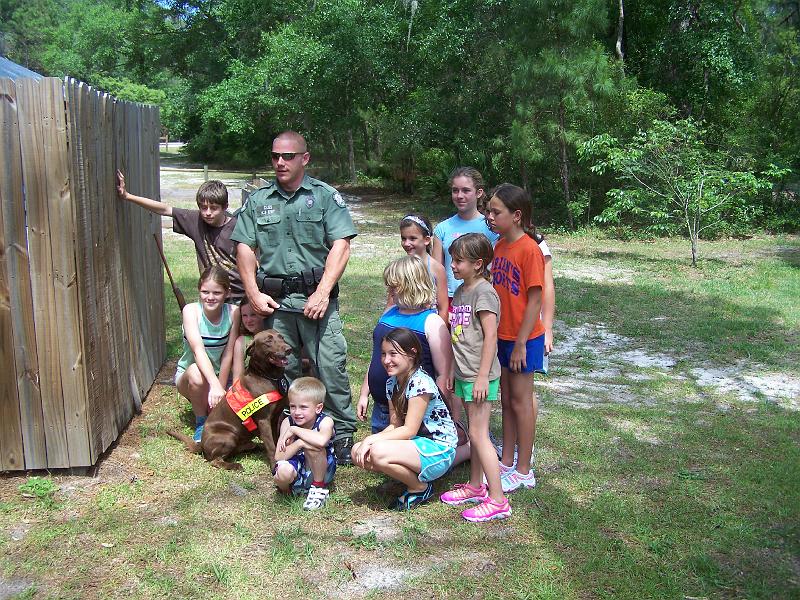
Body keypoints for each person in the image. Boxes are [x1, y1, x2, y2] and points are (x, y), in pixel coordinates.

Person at [231, 131, 357, 465]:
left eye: (288, 156)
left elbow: (341, 245)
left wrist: (323, 292)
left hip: (317, 301)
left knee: (329, 365)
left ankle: (342, 435)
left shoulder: (325, 197)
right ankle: (292, 429)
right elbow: (243, 246)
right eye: (275, 156)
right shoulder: (259, 201)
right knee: (281, 371)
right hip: (277, 305)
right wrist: (253, 293)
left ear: (305, 158)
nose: (280, 162)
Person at [440, 234, 511, 522]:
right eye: (452, 259)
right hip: (465, 372)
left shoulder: (484, 293)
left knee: (481, 436)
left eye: (458, 261)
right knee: (474, 432)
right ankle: (475, 485)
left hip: (480, 376)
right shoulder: (461, 292)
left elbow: (491, 337)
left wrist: (482, 377)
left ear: (478, 264)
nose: (453, 266)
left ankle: (498, 500)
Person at [351, 328, 458, 510]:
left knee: (376, 452)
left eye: (393, 354)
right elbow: (395, 425)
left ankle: (420, 487)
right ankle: (408, 478)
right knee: (357, 451)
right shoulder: (392, 383)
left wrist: (371, 439)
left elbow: (409, 430)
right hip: (417, 443)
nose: (386, 360)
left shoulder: (420, 382)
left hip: (439, 448)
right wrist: (367, 443)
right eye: (383, 354)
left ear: (412, 353)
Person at [485, 183, 546, 492]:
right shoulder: (499, 246)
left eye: (496, 212)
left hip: (524, 339)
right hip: (502, 335)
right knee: (506, 400)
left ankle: (524, 469)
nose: (490, 216)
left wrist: (521, 342)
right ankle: (506, 461)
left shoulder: (530, 249)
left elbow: (535, 299)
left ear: (517, 215)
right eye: (489, 211)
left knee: (522, 402)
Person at [357, 255, 455, 434]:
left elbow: (443, 373)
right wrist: (365, 393)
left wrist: (437, 414)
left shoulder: (431, 322)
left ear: (412, 285)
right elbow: (376, 358)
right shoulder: (388, 314)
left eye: (395, 286)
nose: (390, 290)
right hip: (383, 407)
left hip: (414, 411)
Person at [116, 170, 244, 302]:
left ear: (225, 207)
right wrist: (127, 196)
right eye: (203, 207)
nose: (208, 213)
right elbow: (165, 209)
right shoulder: (196, 220)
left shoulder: (239, 227)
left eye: (213, 208)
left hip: (240, 294)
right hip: (212, 295)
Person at [175, 266, 239, 441]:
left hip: (220, 377)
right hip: (191, 377)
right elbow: (198, 351)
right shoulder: (190, 311)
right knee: (196, 372)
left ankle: (212, 411)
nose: (210, 297)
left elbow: (228, 353)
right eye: (205, 292)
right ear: (199, 290)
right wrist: (215, 386)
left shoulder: (233, 312)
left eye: (217, 293)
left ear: (227, 293)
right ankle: (201, 422)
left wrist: (220, 385)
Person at [432, 167, 499, 315]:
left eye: (466, 190)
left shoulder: (492, 227)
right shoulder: (442, 228)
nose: (459, 195)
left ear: (479, 193)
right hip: (449, 299)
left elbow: (496, 269)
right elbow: (436, 271)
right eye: (455, 190)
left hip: (480, 299)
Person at [274, 377, 336, 510]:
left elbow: (321, 441)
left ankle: (318, 488)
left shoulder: (325, 421)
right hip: (296, 466)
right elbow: (278, 457)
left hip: (319, 468)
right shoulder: (287, 422)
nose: (297, 412)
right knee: (282, 470)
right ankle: (287, 491)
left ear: (318, 408)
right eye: (292, 406)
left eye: (303, 407)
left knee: (315, 446)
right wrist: (299, 444)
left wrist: (295, 430)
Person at [389, 214, 449, 323]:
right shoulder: (401, 267)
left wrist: (440, 334)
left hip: (427, 325)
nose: (407, 243)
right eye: (403, 238)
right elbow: (391, 302)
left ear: (426, 240)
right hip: (402, 324)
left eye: (412, 238)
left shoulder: (437, 269)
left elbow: (443, 308)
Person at [232, 298, 265, 381]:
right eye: (244, 316)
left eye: (253, 315)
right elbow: (237, 379)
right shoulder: (241, 342)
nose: (248, 320)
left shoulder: (274, 337)